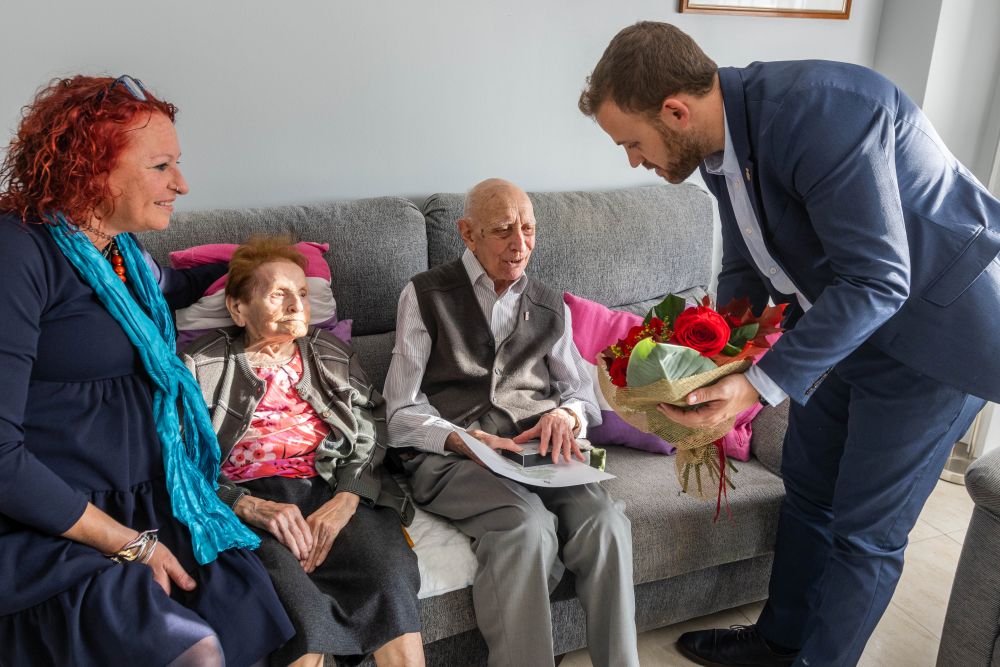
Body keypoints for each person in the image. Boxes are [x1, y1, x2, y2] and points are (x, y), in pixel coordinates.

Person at [579, 21, 1000, 667]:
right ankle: (779, 639)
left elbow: (880, 279)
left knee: (866, 534)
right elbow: (747, 266)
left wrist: (755, 382)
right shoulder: (720, 146)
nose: (633, 159)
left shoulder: (823, 112)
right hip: (845, 329)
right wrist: (710, 360)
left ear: (674, 110)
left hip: (935, 341)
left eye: (631, 142)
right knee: (807, 487)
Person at [0, 76, 294, 666]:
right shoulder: (19, 254)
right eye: (162, 167)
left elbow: (173, 286)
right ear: (92, 169)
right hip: (53, 526)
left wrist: (257, 266)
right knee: (197, 651)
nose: (181, 184)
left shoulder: (122, 256)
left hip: (153, 505)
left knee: (255, 617)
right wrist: (128, 545)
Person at [383, 178, 639, 667]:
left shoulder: (549, 304)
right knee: (526, 527)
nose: (519, 244)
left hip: (535, 452)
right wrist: (461, 440)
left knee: (606, 523)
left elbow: (582, 394)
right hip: (455, 456)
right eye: (502, 230)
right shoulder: (424, 295)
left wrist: (566, 416)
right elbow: (400, 411)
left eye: (528, 229)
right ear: (467, 232)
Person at [182, 237, 424, 667]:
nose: (297, 305)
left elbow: (371, 428)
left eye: (302, 294)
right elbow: (176, 461)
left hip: (329, 488)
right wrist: (245, 504)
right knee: (300, 614)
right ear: (238, 309)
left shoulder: (331, 353)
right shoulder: (199, 364)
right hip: (247, 503)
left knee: (390, 579)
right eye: (279, 294)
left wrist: (348, 497)